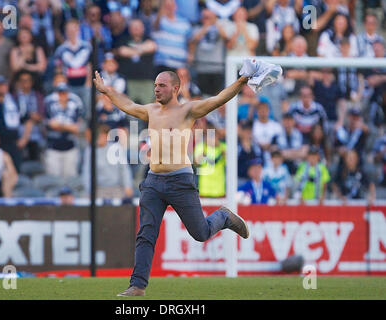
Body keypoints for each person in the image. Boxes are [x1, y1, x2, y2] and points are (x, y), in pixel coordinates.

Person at [94, 57, 282, 296]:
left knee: (201, 233)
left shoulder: (187, 110)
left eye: (161, 85)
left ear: (175, 88)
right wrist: (106, 91)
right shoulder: (150, 110)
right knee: (145, 234)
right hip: (153, 181)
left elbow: (218, 99)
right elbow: (127, 105)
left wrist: (243, 79)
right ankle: (138, 285)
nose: (156, 89)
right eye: (155, 85)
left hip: (180, 181)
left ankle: (224, 216)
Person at [82, 124, 133, 199]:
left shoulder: (116, 148)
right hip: (97, 190)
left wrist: (128, 186)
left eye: (103, 135)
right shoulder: (90, 151)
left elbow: (124, 169)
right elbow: (87, 172)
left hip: (116, 189)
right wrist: (89, 190)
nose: (100, 137)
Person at [44, 82, 82, 179]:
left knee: (70, 179)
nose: (62, 96)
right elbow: (49, 125)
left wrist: (60, 125)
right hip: (53, 147)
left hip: (70, 147)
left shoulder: (74, 106)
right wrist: (68, 127)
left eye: (64, 93)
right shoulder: (50, 105)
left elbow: (77, 128)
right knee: (53, 179)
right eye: (60, 93)